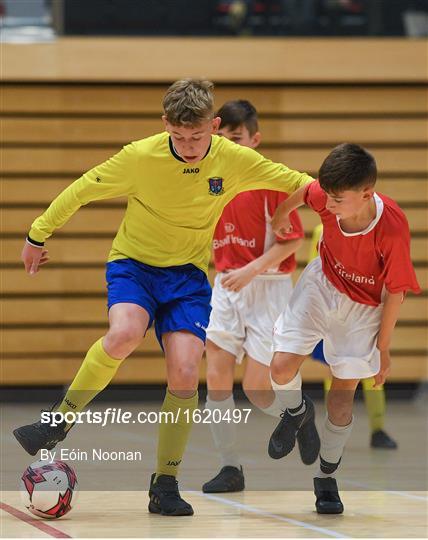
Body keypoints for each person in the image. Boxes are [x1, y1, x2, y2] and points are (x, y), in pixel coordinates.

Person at [13, 79, 313, 517]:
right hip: (134, 266)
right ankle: (59, 419)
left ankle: (165, 483)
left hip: (188, 278)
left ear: (213, 125)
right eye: (179, 137)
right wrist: (37, 234)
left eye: (198, 137)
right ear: (165, 125)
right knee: (124, 334)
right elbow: (82, 190)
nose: (190, 146)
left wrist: (351, 203)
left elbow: (297, 181)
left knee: (187, 373)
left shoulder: (231, 157)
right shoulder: (139, 157)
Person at [267, 143, 420, 514]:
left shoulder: (392, 229)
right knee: (280, 367)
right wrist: (280, 217)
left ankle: (326, 477)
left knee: (341, 398)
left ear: (366, 194)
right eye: (328, 198)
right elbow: (304, 193)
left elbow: (396, 292)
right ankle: (297, 411)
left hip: (364, 307)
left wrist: (383, 349)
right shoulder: (326, 194)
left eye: (337, 200)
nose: (328, 207)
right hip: (322, 282)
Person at [202, 100, 318, 494]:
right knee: (216, 378)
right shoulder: (207, 179)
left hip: (267, 286)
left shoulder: (269, 181)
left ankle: (299, 414)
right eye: (222, 138)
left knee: (256, 388)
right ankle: (229, 467)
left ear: (255, 139)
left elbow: (292, 240)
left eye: (237, 138)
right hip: (226, 287)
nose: (229, 145)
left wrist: (250, 270)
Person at [310, 224, 398, 450]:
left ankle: (378, 429)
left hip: (366, 313)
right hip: (335, 314)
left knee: (372, 373)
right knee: (335, 372)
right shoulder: (322, 230)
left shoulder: (377, 231)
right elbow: (316, 272)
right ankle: (334, 428)